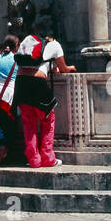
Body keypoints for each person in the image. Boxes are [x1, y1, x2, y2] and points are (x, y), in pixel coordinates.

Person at [17, 30, 74, 169]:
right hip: (37, 84)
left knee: (28, 123)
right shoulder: (54, 44)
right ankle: (48, 158)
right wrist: (70, 68)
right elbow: (64, 68)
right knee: (47, 120)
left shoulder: (28, 41)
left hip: (20, 83)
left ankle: (34, 160)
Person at [0, 34, 20, 166]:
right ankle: (6, 148)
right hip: (10, 94)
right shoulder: (17, 59)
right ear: (16, 46)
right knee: (11, 123)